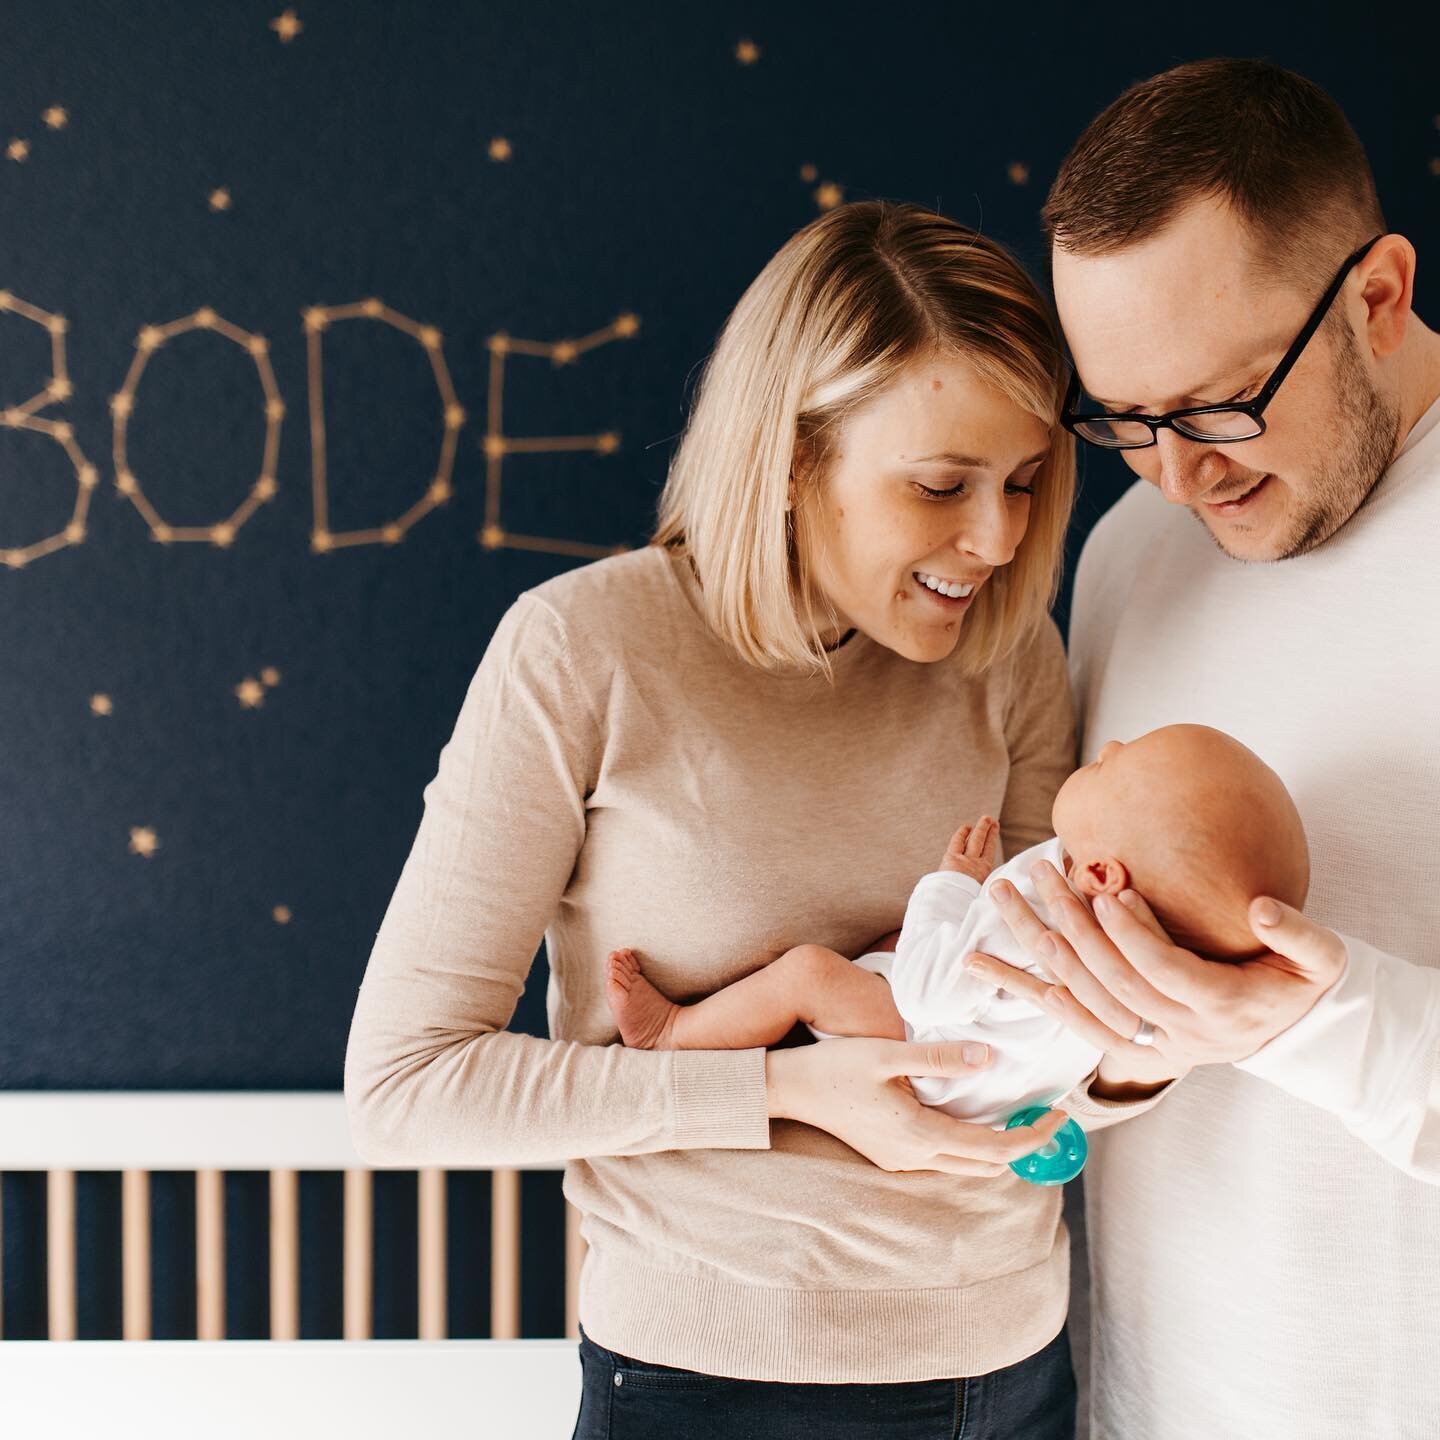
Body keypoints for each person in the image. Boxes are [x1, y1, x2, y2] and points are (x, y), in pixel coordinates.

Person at [344, 200, 1163, 1438]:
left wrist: (1135, 1058)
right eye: (942, 484)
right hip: (713, 1385)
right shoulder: (584, 650)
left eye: (1025, 483)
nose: (994, 539)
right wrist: (790, 1090)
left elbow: (1041, 1035)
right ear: (792, 460)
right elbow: (409, 1085)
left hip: (1011, 1366)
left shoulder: (1012, 664)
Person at [963, 59, 1440, 1440]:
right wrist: (1114, 1048)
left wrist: (1310, 1019)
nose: (1179, 476)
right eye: (1124, 421)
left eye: (1221, 405)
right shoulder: (1130, 556)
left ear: (1378, 295)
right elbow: (1094, 1062)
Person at [604, 724, 1308, 1134]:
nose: (1113, 741)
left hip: (932, 1060)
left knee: (807, 972)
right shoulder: (1145, 960)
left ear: (1100, 876)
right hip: (1003, 1091)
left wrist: (953, 886)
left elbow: (927, 996)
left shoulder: (1040, 915)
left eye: (1107, 766)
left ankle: (670, 1032)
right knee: (886, 951)